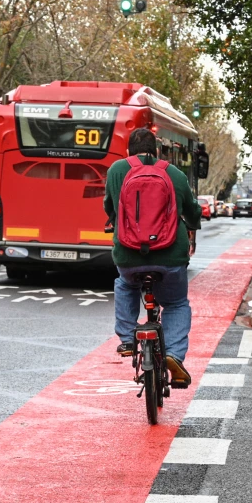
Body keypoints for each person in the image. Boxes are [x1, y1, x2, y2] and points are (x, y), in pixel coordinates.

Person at [104, 128, 202, 387]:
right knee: (176, 303)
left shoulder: (116, 170)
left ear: (128, 152)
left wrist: (113, 220)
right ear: (157, 150)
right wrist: (192, 225)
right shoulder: (175, 174)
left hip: (128, 254)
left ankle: (127, 339)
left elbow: (109, 206)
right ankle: (173, 355)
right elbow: (192, 210)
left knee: (125, 284)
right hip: (170, 256)